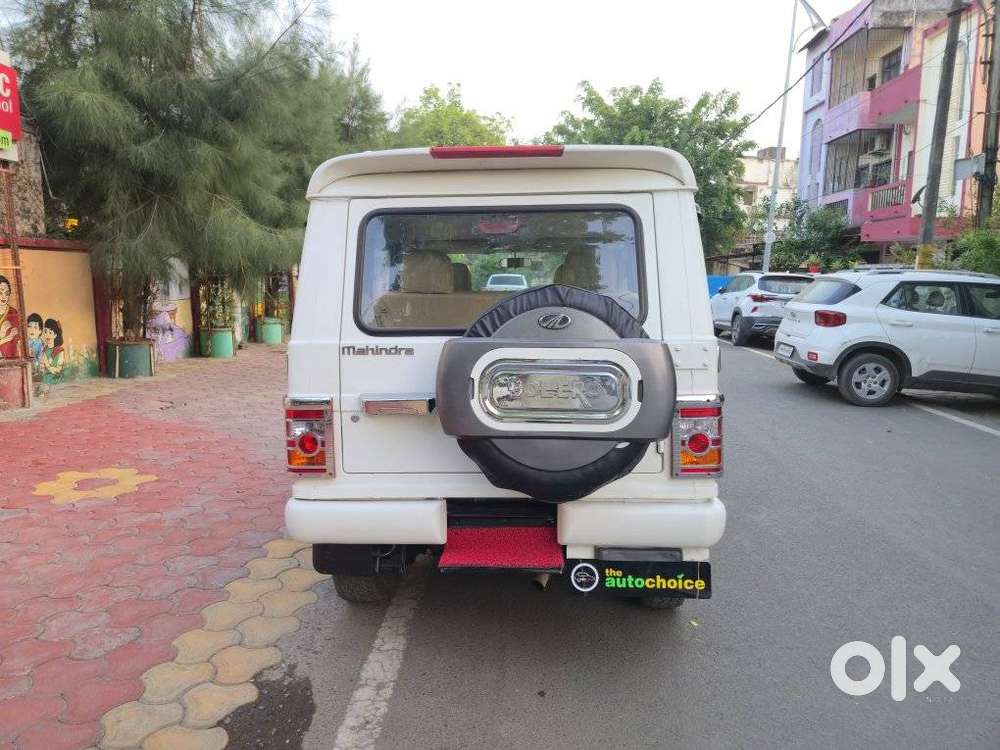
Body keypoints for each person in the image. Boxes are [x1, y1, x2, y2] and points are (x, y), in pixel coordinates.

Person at [0, 274, 21, 359]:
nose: (3, 296)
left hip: (9, 356)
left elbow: (16, 337)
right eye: (0, 292)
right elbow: (10, 337)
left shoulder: (13, 312)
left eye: (7, 293)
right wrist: (7, 338)